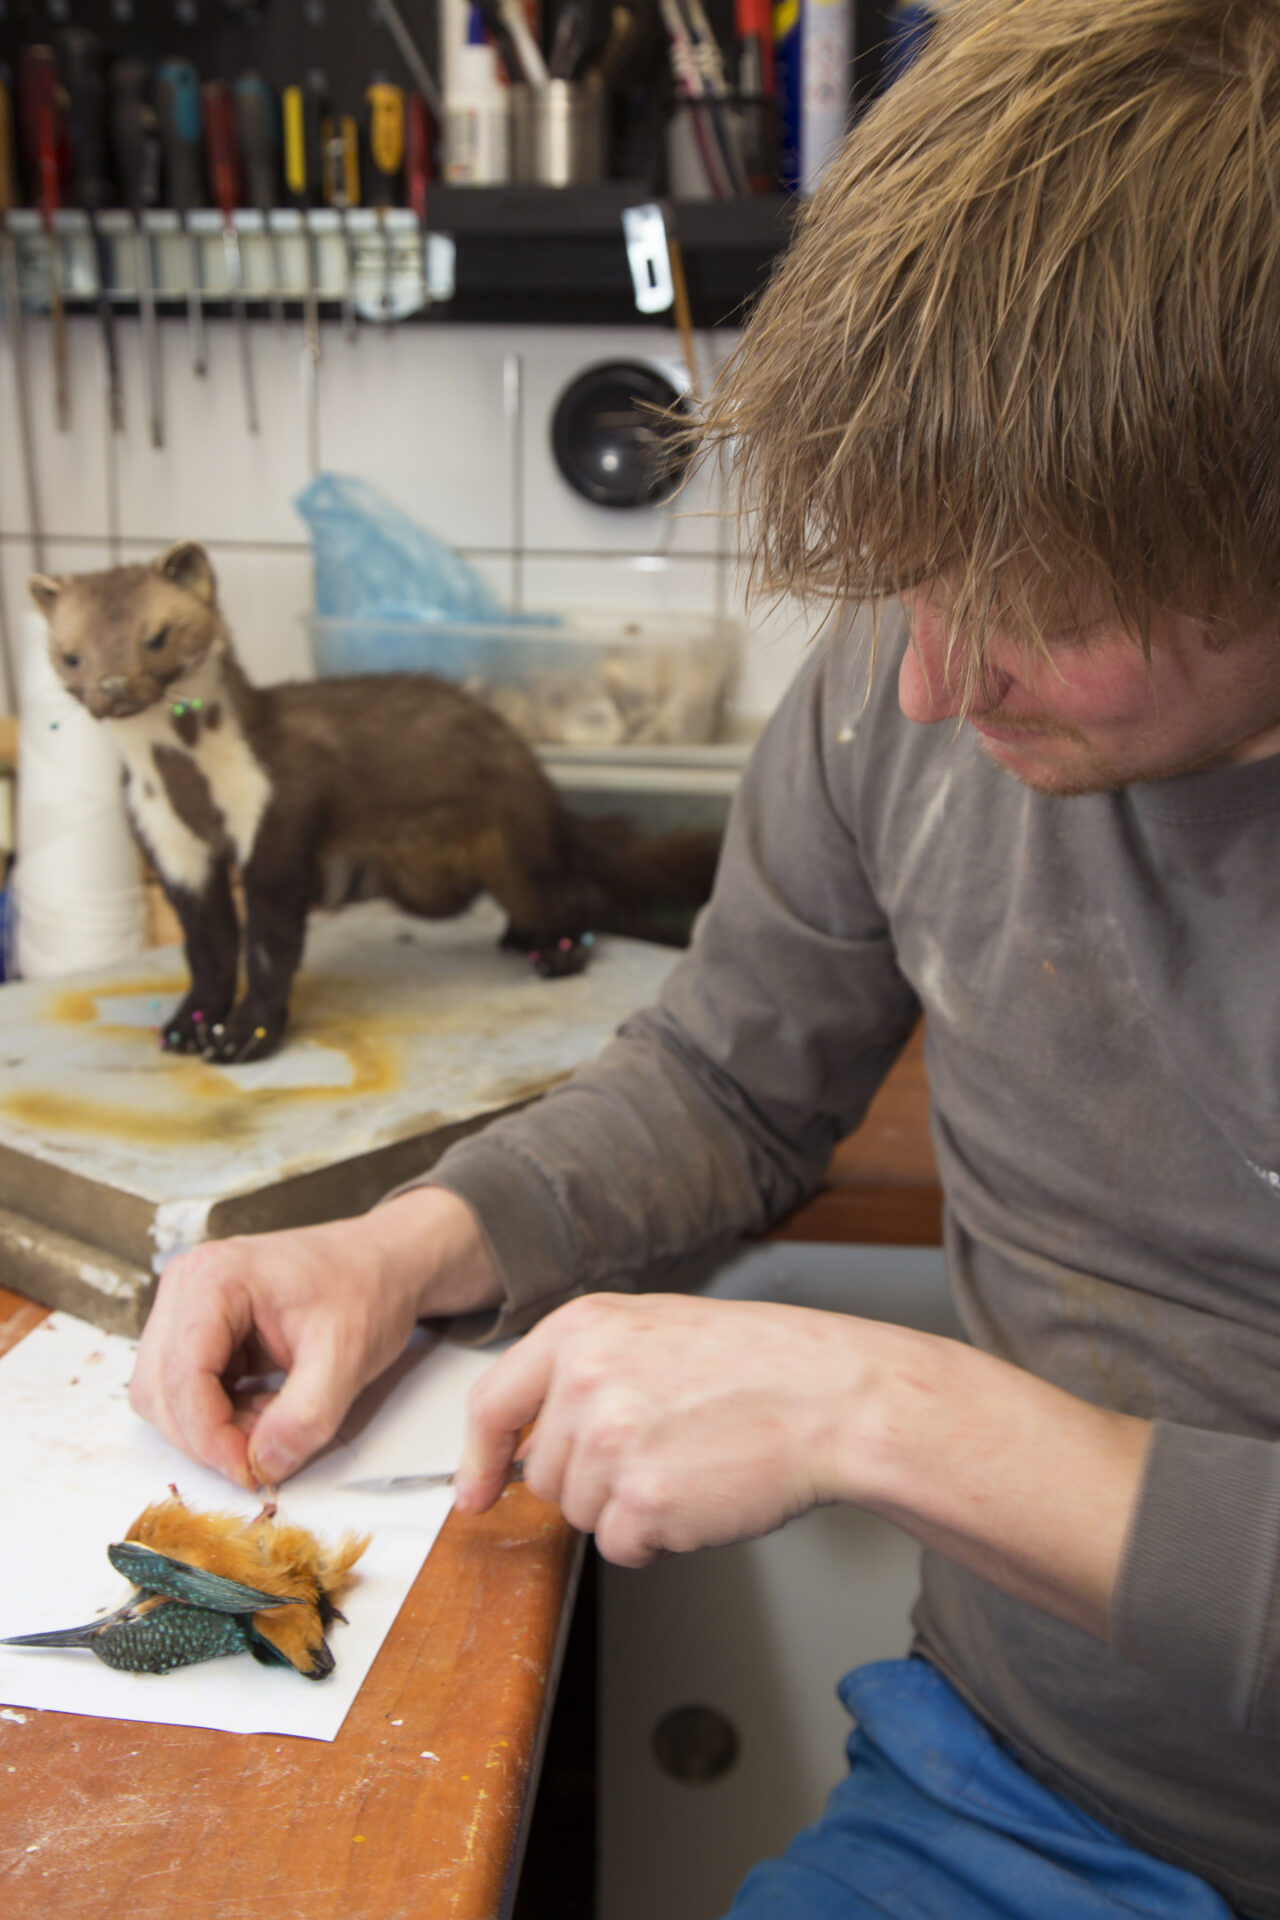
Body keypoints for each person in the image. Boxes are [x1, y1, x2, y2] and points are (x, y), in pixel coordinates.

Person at [131, 2, 1280, 1914]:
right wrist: (408, 1247)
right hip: (1006, 1798)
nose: (926, 683)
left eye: (1039, 613)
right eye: (914, 581)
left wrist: (879, 1410)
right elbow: (730, 1085)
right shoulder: (912, 697)